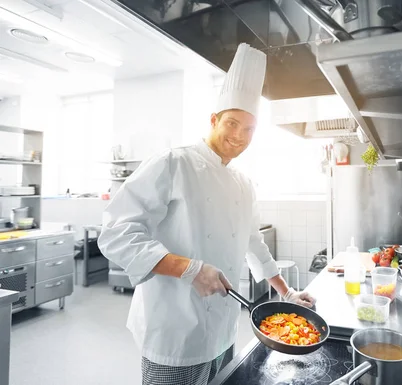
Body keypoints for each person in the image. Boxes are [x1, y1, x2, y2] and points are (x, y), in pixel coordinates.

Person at [98, 43, 316, 385]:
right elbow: (115, 232)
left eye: (249, 129)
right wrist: (189, 268)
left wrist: (285, 292)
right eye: (231, 123)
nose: (238, 137)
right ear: (213, 120)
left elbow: (252, 243)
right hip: (174, 330)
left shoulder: (244, 182)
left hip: (224, 331)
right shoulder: (173, 163)